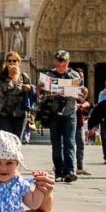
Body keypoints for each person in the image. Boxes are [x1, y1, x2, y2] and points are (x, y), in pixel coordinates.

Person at [38, 50, 81, 183]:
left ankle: (70, 171)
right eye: (58, 65)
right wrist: (41, 89)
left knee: (70, 143)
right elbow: (41, 96)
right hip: (54, 114)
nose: (60, 68)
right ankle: (58, 170)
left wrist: (81, 92)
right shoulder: (49, 75)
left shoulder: (74, 75)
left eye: (63, 66)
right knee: (56, 145)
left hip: (69, 113)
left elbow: (80, 95)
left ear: (67, 63)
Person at [0, 52, 32, 138]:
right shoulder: (2, 76)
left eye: (14, 61)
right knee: (7, 142)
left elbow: (30, 94)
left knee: (17, 142)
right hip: (5, 114)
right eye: (9, 61)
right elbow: (3, 91)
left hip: (20, 114)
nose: (12, 63)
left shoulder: (24, 76)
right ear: (6, 62)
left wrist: (29, 88)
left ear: (18, 62)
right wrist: (10, 78)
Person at [75, 86, 91, 175]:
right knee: (67, 146)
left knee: (81, 145)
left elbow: (87, 104)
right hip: (69, 125)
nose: (84, 93)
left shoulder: (82, 101)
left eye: (86, 93)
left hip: (79, 125)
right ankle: (62, 166)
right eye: (82, 92)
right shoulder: (74, 97)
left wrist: (82, 104)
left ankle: (80, 167)